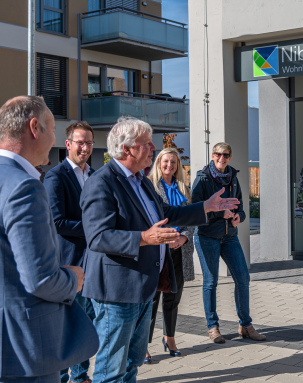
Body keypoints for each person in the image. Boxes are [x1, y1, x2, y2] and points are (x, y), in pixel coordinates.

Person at [80, 117, 239, 383]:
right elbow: (98, 237)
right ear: (127, 148)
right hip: (116, 291)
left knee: (132, 363)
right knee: (111, 368)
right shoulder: (102, 182)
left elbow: (166, 213)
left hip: (143, 287)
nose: (153, 147)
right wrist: (144, 237)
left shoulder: (141, 181)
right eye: (146, 143)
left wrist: (205, 208)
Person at [0, 96, 99, 383]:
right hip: (26, 349)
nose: (55, 138)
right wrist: (72, 279)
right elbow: (40, 279)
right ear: (34, 127)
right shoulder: (23, 187)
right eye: (53, 129)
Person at [192, 142, 266, 343]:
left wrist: (238, 218)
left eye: (225, 155)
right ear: (212, 155)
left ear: (230, 157)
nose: (221, 158)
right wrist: (219, 213)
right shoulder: (202, 178)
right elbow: (195, 210)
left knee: (243, 277)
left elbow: (241, 206)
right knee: (210, 282)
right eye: (217, 154)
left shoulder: (233, 177)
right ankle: (213, 327)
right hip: (207, 236)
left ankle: (245, 325)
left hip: (230, 236)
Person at [44, 121, 96, 383]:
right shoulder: (56, 176)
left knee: (84, 321)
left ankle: (80, 374)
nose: (85, 147)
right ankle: (61, 376)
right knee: (66, 324)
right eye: (80, 142)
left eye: (88, 142)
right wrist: (94, 229)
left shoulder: (95, 175)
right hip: (68, 261)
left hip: (94, 261)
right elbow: (57, 222)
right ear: (68, 144)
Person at [145, 148, 195, 362]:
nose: (169, 166)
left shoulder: (184, 188)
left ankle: (170, 338)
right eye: (166, 161)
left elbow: (191, 218)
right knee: (152, 299)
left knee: (173, 298)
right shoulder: (150, 186)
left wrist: (183, 237)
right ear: (159, 163)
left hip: (179, 250)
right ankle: (143, 344)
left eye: (173, 162)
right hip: (158, 250)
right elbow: (148, 218)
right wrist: (166, 238)